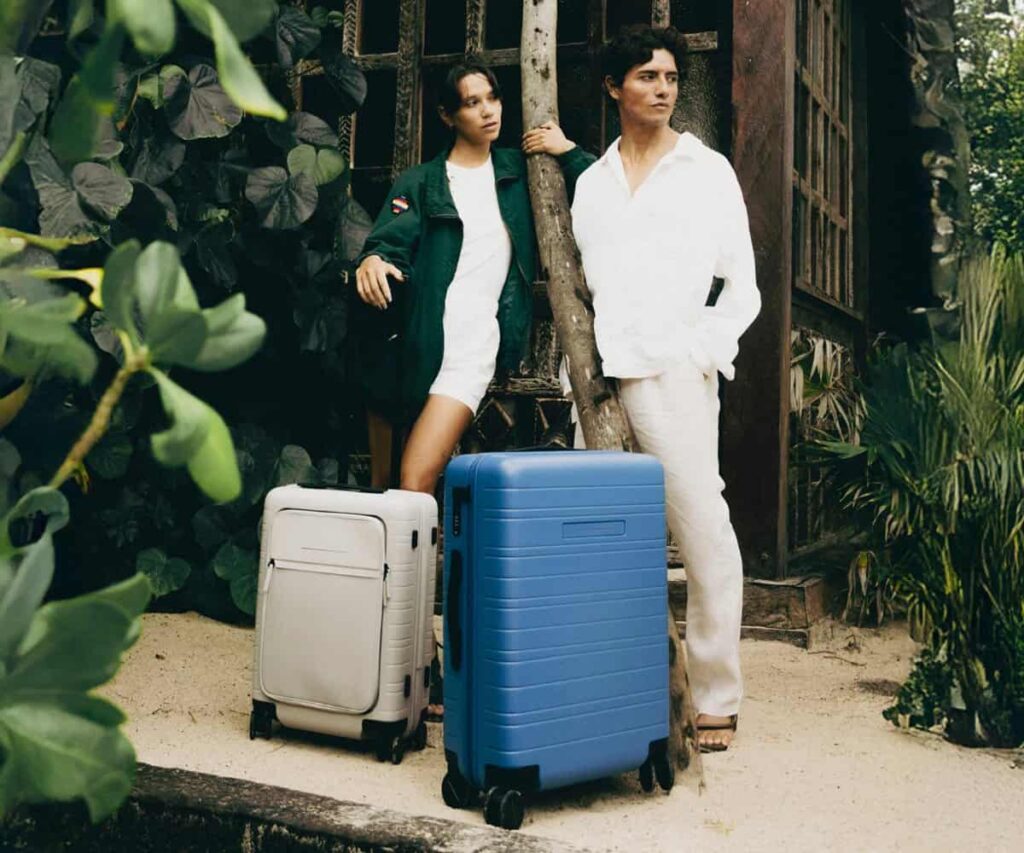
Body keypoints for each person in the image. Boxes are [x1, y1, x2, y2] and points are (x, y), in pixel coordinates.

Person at [354, 61, 595, 716]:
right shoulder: (422, 182)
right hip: (417, 344)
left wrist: (568, 150)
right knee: (397, 496)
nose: (488, 110)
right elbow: (388, 242)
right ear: (447, 115)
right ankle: (407, 657)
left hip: (471, 352)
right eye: (471, 102)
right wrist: (373, 260)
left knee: (414, 484)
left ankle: (424, 658)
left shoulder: (521, 172)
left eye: (493, 98)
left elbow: (601, 192)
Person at [567, 25, 760, 752]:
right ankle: (615, 684)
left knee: (702, 529)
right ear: (614, 87)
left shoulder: (705, 171)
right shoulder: (591, 183)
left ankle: (715, 694)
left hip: (673, 373)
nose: (663, 88)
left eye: (671, 77)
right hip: (599, 378)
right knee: (601, 538)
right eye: (647, 76)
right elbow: (580, 281)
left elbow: (742, 286)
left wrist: (702, 351)